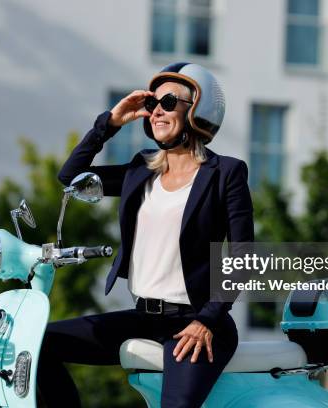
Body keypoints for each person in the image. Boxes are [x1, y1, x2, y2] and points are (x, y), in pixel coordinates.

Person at [37, 62, 254, 408]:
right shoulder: (141, 170)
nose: (156, 112)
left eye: (168, 103)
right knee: (38, 344)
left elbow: (245, 257)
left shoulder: (225, 173)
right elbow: (71, 177)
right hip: (143, 318)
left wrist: (208, 320)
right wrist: (110, 123)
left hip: (196, 323)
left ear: (198, 111)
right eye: (153, 105)